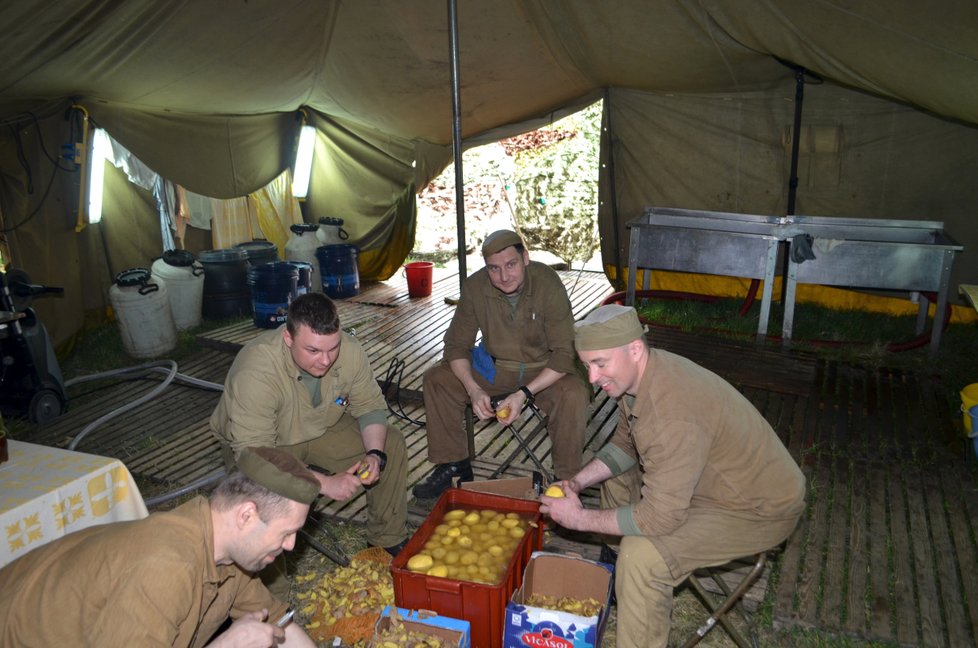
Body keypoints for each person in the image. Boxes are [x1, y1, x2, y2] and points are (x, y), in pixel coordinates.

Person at [540, 304, 806, 648]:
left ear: (634, 349)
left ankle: (632, 582)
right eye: (586, 365)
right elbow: (625, 445)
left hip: (756, 508)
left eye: (599, 364)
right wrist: (577, 482)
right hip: (707, 482)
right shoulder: (642, 375)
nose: (592, 378)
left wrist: (580, 519)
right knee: (616, 476)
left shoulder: (671, 413)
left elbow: (660, 517)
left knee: (641, 558)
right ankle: (624, 582)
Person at [0, 446, 320, 647]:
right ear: (246, 515)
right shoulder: (165, 565)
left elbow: (281, 625)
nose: (291, 546)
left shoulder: (230, 554)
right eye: (287, 532)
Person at [210, 292, 409, 595]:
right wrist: (325, 484)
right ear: (288, 339)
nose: (326, 359)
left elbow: (370, 406)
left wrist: (374, 453)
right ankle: (272, 592)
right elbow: (255, 455)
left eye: (333, 348)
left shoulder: (349, 351)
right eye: (313, 350)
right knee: (262, 494)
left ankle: (385, 540)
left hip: (317, 427)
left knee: (390, 442)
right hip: (266, 446)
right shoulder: (257, 368)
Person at [412, 229, 590, 499]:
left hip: (545, 370)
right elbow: (456, 346)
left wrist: (524, 394)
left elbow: (565, 353)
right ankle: (454, 467)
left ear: (525, 259)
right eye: (494, 269)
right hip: (495, 369)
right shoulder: (475, 287)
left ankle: (566, 482)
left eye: (511, 265)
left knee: (574, 394)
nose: (504, 276)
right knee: (437, 379)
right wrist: (473, 389)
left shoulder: (547, 283)